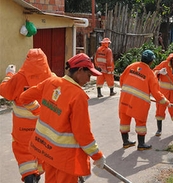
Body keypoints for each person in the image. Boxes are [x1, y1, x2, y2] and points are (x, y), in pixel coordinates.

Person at [19, 53, 106, 183]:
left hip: (47, 153)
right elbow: (83, 133)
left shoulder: (51, 82)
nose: (88, 80)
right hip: (65, 159)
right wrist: (97, 155)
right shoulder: (78, 96)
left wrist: (39, 111)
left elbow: (24, 98)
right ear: (80, 70)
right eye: (89, 76)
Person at [0, 48, 54, 183]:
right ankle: (37, 173)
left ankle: (30, 176)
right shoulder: (52, 79)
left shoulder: (19, 77)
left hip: (23, 129)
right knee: (41, 150)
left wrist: (9, 74)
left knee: (24, 151)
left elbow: (5, 91)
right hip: (44, 128)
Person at [119, 50, 170, 151]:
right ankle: (141, 144)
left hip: (125, 98)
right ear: (151, 61)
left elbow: (121, 79)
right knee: (141, 122)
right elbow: (156, 93)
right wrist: (165, 101)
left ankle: (125, 142)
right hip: (139, 103)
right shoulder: (150, 74)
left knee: (124, 120)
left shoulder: (131, 66)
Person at [153, 52, 173, 137]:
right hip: (162, 92)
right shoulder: (164, 64)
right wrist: (159, 72)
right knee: (160, 110)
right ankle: (159, 130)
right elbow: (154, 72)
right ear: (172, 59)